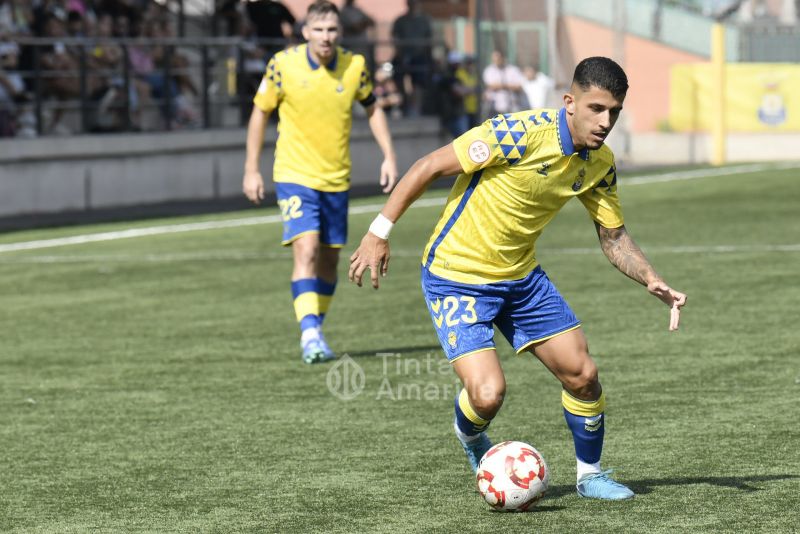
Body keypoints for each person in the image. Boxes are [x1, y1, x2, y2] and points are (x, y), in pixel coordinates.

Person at [349, 57, 687, 500]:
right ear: (570, 102)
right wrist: (379, 232)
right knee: (488, 395)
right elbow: (429, 166)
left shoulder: (599, 164)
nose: (606, 122)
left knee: (583, 374)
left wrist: (650, 278)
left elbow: (614, 237)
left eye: (615, 112)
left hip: (520, 278)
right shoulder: (516, 133)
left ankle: (590, 475)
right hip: (456, 275)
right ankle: (470, 436)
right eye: (596, 109)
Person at [243, 0, 398, 364]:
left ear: (339, 33)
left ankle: (313, 328)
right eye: (319, 30)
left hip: (336, 179)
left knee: (329, 261)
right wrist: (251, 168)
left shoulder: (354, 67)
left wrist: (389, 155)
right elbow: (259, 113)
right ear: (305, 32)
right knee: (307, 249)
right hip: (294, 175)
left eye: (332, 30)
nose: (326, 37)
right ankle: (310, 333)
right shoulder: (282, 65)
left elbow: (373, 107)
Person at [482, 49, 525, 115]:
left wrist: (501, 85)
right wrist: (508, 86)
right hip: (494, 107)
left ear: (503, 58)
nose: (496, 61)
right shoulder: (489, 70)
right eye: (494, 59)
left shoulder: (513, 70)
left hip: (512, 106)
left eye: (498, 59)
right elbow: (491, 86)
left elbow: (519, 86)